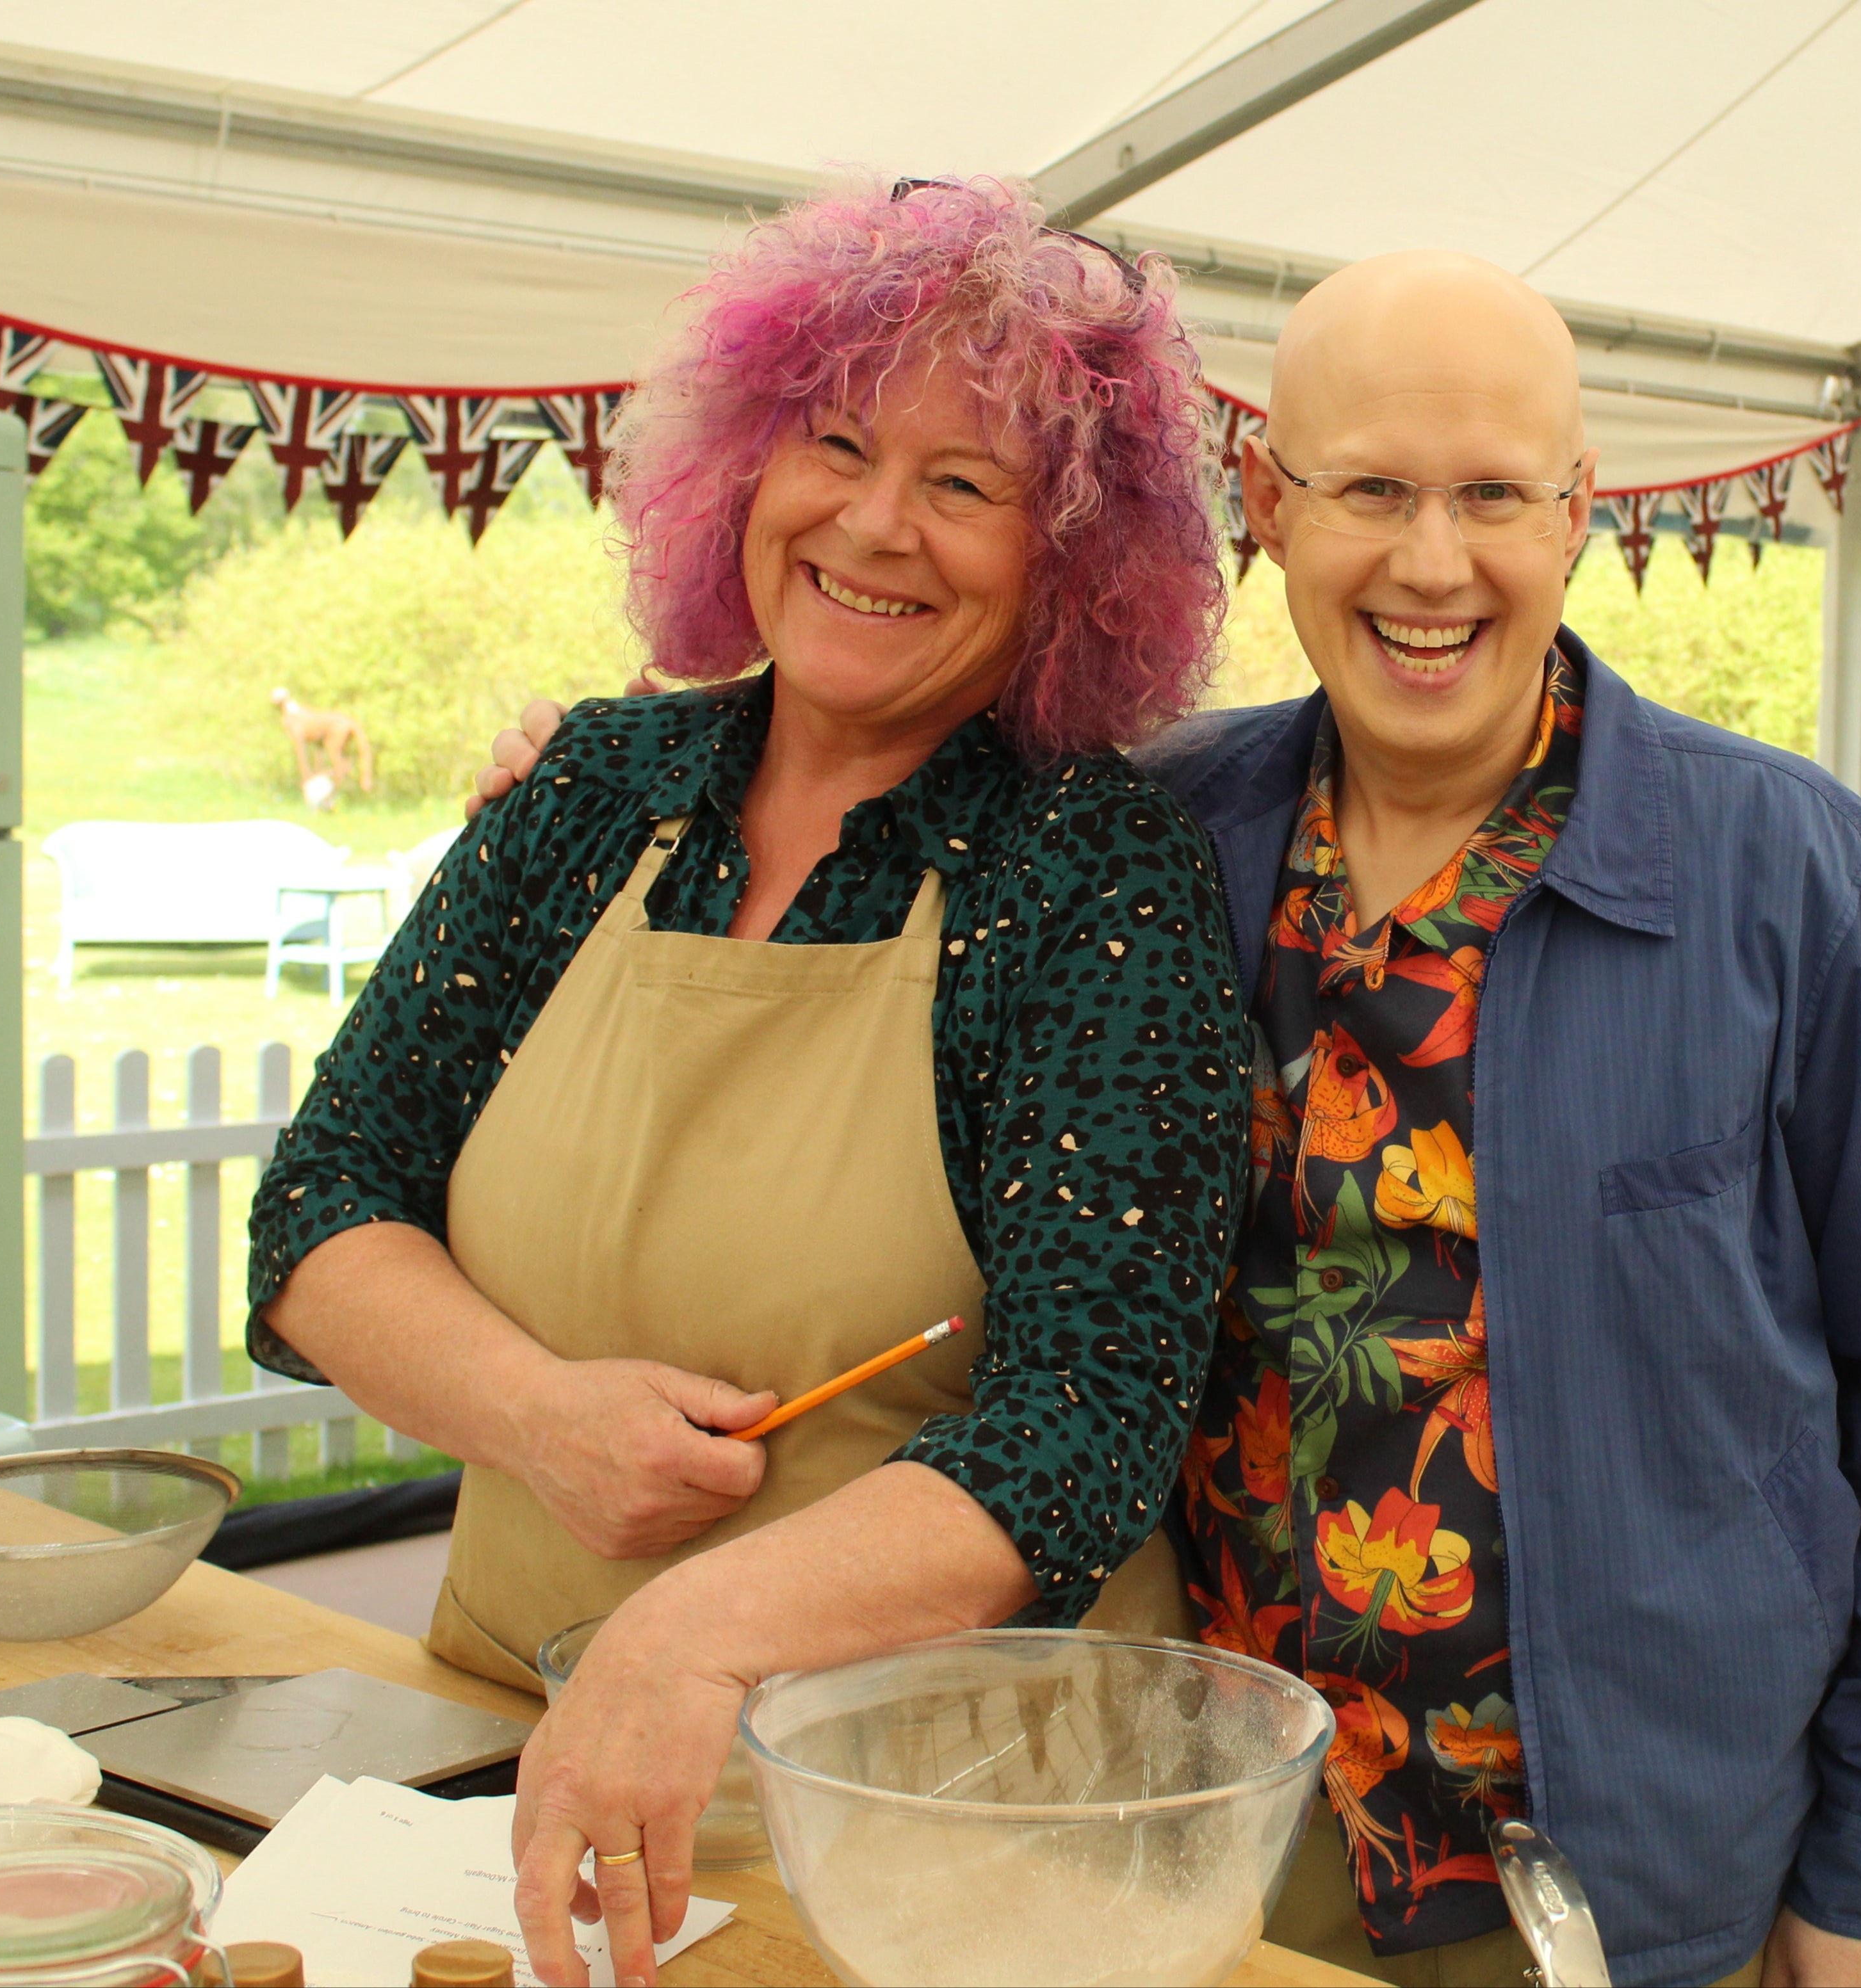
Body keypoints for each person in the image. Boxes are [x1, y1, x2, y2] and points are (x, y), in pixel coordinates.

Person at [481, 251, 1861, 1987]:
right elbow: (833, 755)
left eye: (1493, 497)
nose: (1433, 562)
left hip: (1631, 1884)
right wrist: (607, 762)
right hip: (1194, 1843)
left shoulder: (1785, 876)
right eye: (1372, 490)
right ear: (1267, 501)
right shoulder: (1149, 845)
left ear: (1580, 511)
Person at [245, 178, 1248, 1988]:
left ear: (1072, 562)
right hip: (489, 1759)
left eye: (965, 485)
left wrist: (691, 1635)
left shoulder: (1089, 875)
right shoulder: (589, 793)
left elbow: (1081, 1425)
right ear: (745, 467)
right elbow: (322, 1209)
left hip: (930, 1844)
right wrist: (539, 1416)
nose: (876, 523)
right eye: (839, 444)